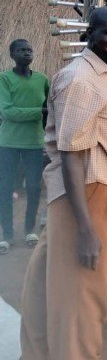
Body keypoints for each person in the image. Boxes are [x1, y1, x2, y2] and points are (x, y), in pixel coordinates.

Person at [10, 7, 107, 360]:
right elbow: (71, 153)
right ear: (91, 34)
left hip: (81, 193)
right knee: (86, 290)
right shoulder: (81, 79)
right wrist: (85, 227)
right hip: (88, 193)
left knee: (48, 283)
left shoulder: (100, 75)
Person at [0, 39, 49, 254]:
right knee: (5, 189)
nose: (27, 53)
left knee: (34, 188)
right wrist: (38, 113)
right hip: (8, 142)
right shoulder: (4, 79)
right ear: (12, 55)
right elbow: (7, 111)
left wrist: (45, 127)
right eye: (21, 50)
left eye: (30, 50)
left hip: (34, 143)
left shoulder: (42, 79)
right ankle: (6, 235)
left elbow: (50, 109)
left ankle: (30, 230)